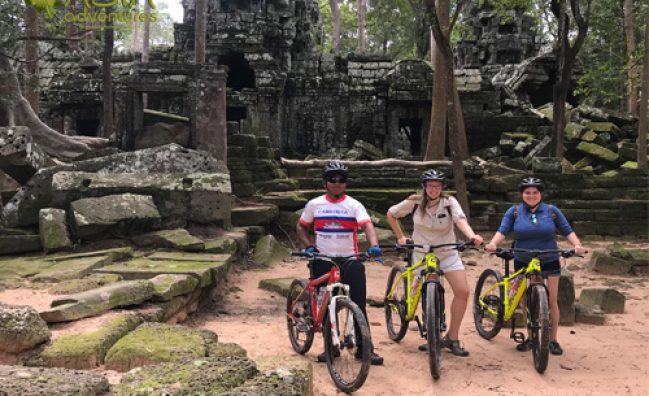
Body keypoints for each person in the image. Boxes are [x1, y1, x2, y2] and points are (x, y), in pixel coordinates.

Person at [386, 169, 483, 356]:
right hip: (422, 253)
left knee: (462, 291)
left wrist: (472, 236)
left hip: (447, 252)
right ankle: (433, 334)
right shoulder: (414, 202)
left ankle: (452, 337)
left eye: (437, 186)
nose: (434, 189)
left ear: (442, 188)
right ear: (424, 187)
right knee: (430, 289)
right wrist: (401, 237)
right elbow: (391, 214)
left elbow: (460, 220)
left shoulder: (449, 203)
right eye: (430, 185)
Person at [485, 177, 586, 356]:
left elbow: (566, 230)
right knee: (526, 300)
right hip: (523, 258)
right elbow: (503, 230)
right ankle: (531, 337)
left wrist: (577, 245)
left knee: (552, 300)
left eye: (535, 192)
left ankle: (553, 339)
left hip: (549, 257)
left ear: (541, 194)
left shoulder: (552, 211)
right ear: (522, 194)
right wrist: (493, 244)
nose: (531, 196)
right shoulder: (514, 211)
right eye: (527, 192)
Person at [296, 160, 384, 365]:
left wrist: (374, 245)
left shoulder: (354, 205)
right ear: (325, 183)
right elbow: (301, 227)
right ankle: (330, 348)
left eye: (341, 180)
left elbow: (368, 226)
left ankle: (365, 349)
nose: (337, 183)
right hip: (322, 260)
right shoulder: (315, 204)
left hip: (349, 260)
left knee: (359, 304)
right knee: (325, 306)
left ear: (346, 183)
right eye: (332, 180)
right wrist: (309, 246)